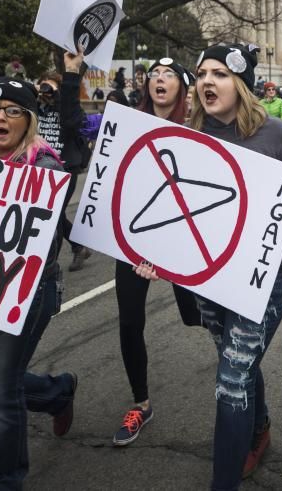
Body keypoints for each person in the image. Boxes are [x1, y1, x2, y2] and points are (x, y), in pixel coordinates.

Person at [133, 43, 282, 488]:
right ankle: (259, 430)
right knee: (237, 363)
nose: (207, 82)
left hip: (266, 277)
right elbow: (177, 208)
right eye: (201, 75)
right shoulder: (189, 138)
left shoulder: (275, 132)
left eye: (218, 74)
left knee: (231, 378)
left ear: (240, 83)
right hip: (212, 279)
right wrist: (158, 256)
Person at [0, 77, 77, 489]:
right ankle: (55, 393)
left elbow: (40, 250)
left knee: (1, 398)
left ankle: (2, 480)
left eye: (13, 110)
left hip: (20, 295)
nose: (0, 117)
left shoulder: (43, 167)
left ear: (27, 121)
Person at [101, 56, 203, 447]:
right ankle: (140, 404)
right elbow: (76, 128)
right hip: (136, 240)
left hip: (179, 241)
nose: (159, 80)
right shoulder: (126, 123)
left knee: (195, 316)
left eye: (169, 75)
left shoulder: (198, 126)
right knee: (130, 321)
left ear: (182, 85)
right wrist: (74, 71)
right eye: (154, 75)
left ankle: (240, 374)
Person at [36, 66, 94, 273]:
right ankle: (78, 246)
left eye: (50, 87)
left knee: (57, 212)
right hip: (43, 166)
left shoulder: (65, 110)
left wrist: (58, 95)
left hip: (66, 167)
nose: (46, 91)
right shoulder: (37, 108)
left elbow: (71, 120)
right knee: (52, 213)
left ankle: (52, 264)